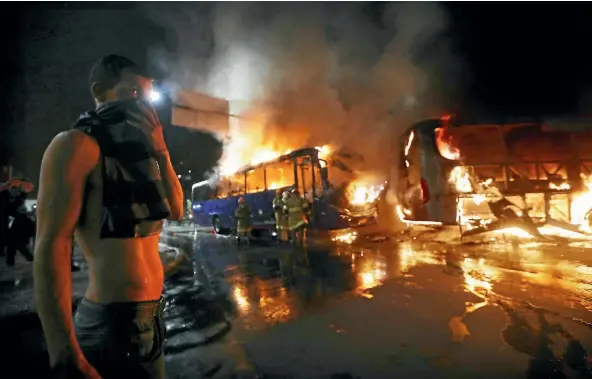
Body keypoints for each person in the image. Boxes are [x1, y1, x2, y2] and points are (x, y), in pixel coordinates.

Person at [34, 55, 184, 379]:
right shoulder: (75, 145)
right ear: (100, 91)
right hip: (110, 327)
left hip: (154, 317)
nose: (142, 105)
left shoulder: (142, 154)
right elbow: (51, 245)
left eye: (146, 96)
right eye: (132, 93)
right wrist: (63, 351)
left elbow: (177, 209)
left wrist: (161, 150)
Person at [5, 188, 35, 266]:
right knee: (18, 244)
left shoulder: (16, 202)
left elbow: (9, 210)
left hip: (18, 225)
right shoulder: (19, 202)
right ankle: (29, 257)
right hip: (21, 225)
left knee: (14, 244)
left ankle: (11, 261)